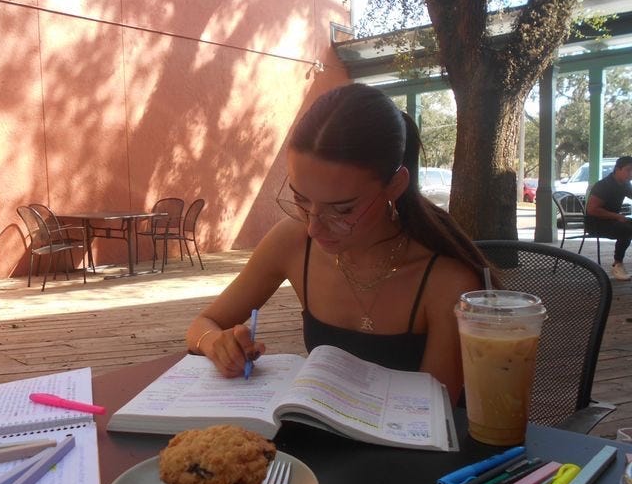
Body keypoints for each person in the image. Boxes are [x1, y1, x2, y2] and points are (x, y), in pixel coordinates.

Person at [185, 83, 485, 404]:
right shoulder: (292, 242)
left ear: (395, 185)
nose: (314, 227)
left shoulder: (446, 282)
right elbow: (202, 325)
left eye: (342, 210)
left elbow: (433, 412)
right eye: (301, 200)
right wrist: (216, 343)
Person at [585, 155, 632, 281]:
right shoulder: (604, 185)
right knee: (627, 229)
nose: (631, 174)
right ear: (617, 169)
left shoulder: (625, 184)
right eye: (628, 170)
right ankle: (618, 264)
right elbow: (592, 210)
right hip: (595, 223)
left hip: (611, 221)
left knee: (628, 225)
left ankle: (618, 262)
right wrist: (617, 216)